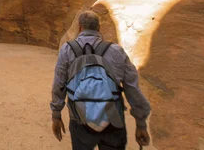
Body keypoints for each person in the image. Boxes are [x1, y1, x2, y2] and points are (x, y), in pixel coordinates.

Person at [50, 10, 151, 149]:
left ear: (79, 27)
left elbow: (59, 84)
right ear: (99, 28)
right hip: (113, 119)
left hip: (79, 118)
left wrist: (56, 115)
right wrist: (141, 123)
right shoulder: (116, 51)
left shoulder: (67, 50)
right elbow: (132, 88)